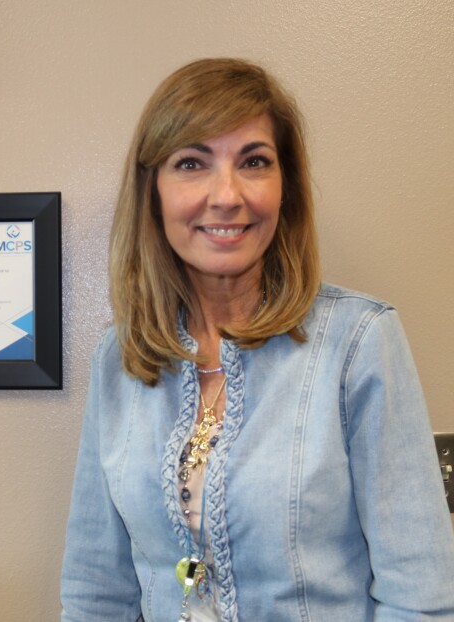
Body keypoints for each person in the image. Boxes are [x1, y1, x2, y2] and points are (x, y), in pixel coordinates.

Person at [60, 58, 454, 622]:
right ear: (154, 193)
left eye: (254, 162)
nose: (226, 195)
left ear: (284, 187)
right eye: (192, 163)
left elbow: (421, 597)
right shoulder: (119, 359)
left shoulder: (359, 342)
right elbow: (95, 587)